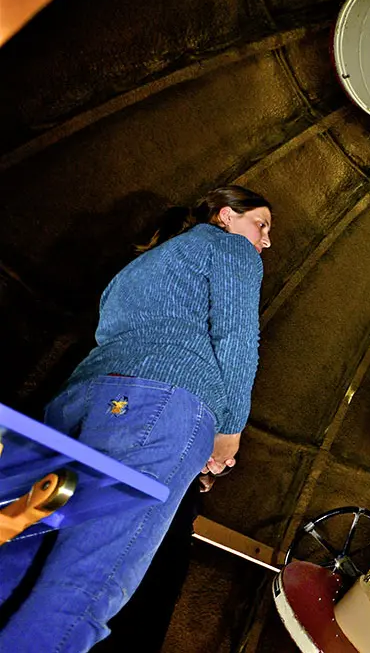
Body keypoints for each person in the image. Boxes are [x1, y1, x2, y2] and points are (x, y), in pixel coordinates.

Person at [0, 186, 273, 652]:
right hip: (165, 402)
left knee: (18, 545)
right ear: (226, 216)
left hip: (79, 400)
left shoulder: (137, 268)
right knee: (90, 580)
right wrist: (230, 429)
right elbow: (237, 335)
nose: (266, 240)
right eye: (261, 225)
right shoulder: (229, 247)